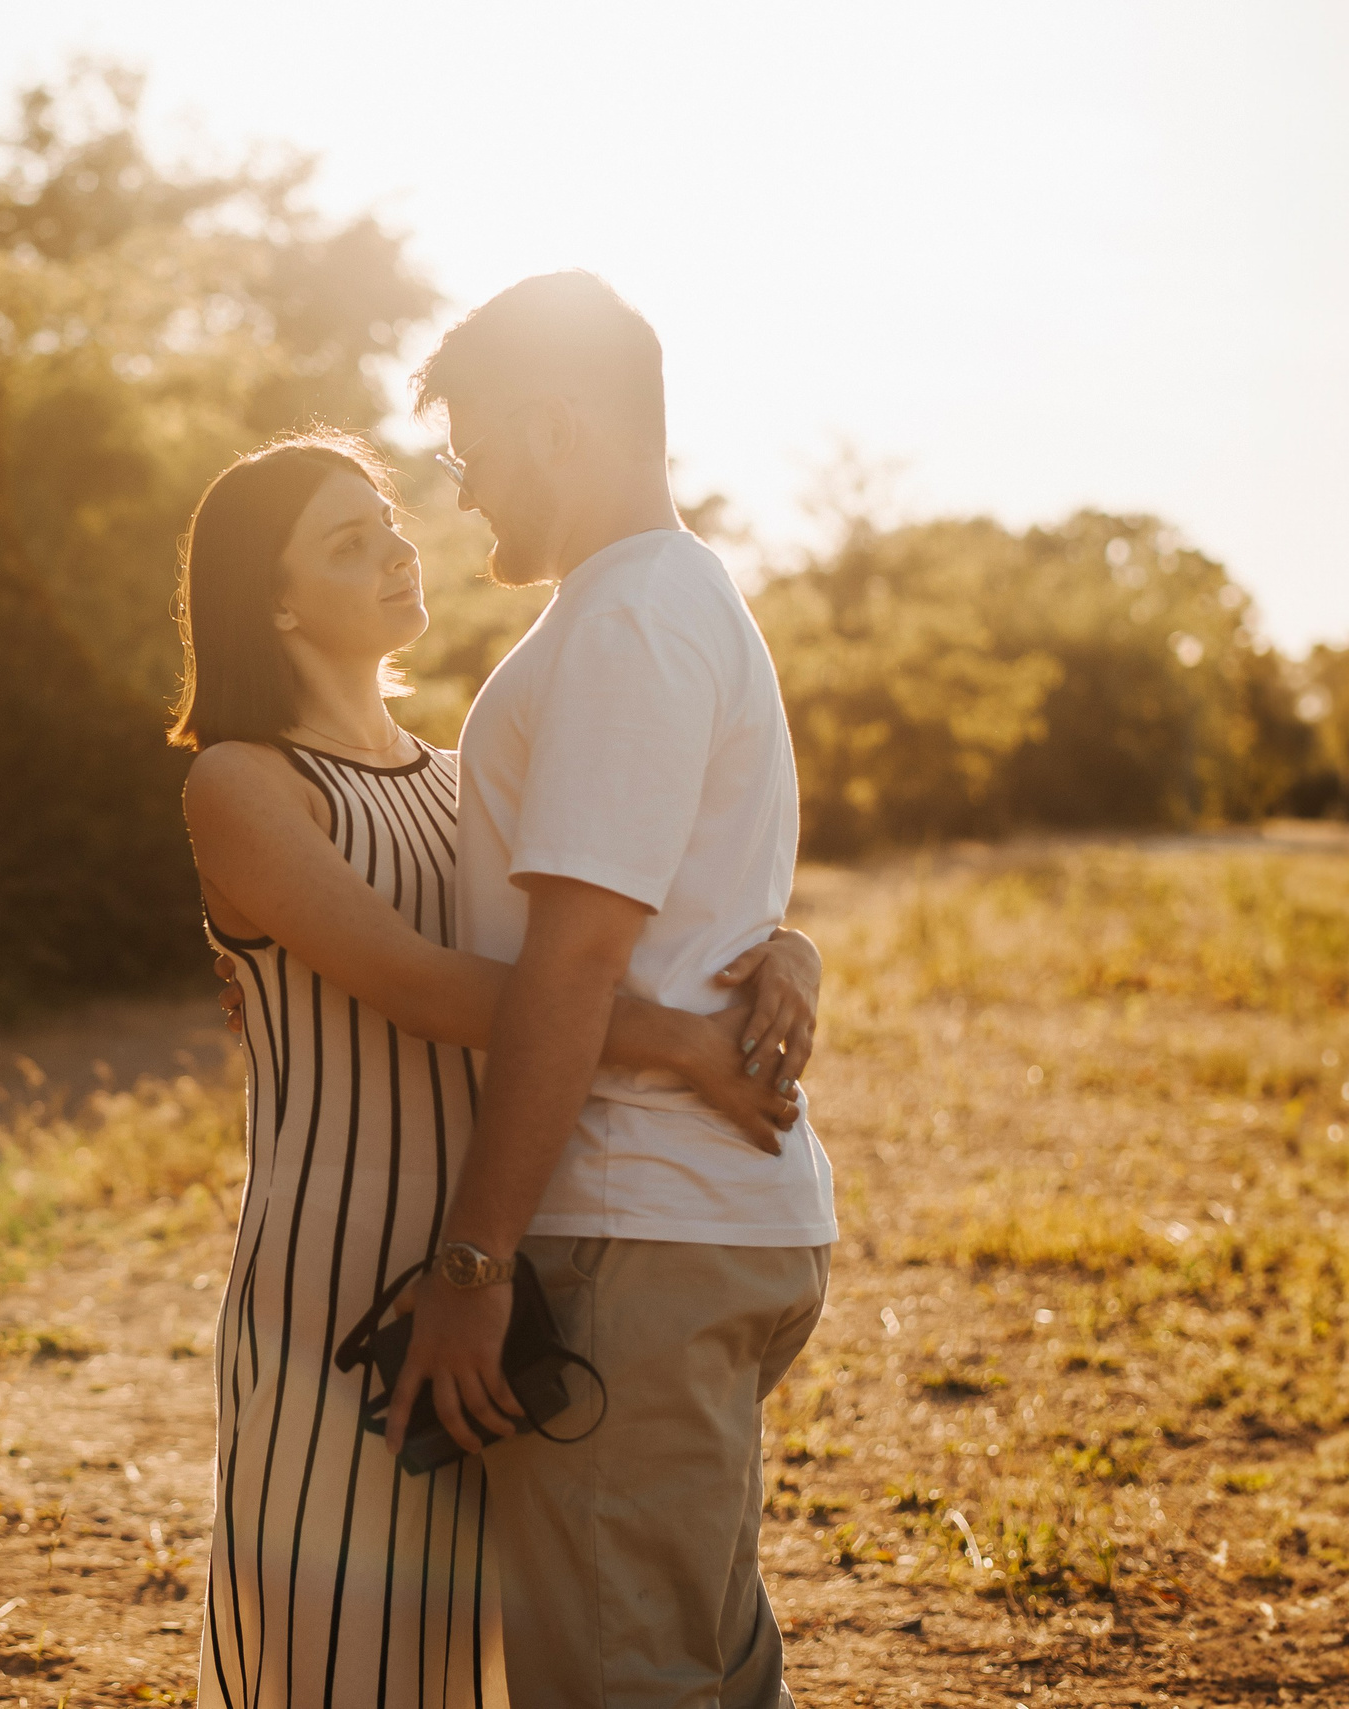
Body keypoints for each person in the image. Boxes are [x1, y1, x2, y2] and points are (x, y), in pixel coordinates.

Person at [174, 427, 824, 1709]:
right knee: (336, 1654)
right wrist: (682, 1042)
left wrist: (787, 945)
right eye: (347, 543)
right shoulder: (241, 786)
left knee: (489, 1648)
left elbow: (632, 904)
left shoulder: (462, 777)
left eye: (390, 521)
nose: (400, 548)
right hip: (337, 1264)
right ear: (276, 599)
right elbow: (422, 983)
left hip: (503, 1241)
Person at [382, 272, 836, 1709]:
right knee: (693, 1659)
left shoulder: (629, 620)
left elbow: (573, 961)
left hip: (635, 1228)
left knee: (625, 1681)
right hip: (696, 1228)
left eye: (469, 454)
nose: (464, 497)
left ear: (557, 425)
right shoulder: (670, 602)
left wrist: (472, 1265)